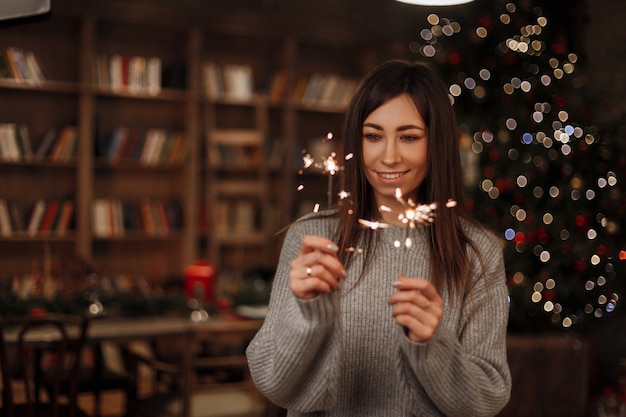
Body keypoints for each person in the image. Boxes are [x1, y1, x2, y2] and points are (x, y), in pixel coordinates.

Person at [246, 59, 511, 416]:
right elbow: (274, 385)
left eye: (409, 137)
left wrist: (432, 345)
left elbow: (488, 397)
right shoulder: (310, 237)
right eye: (373, 136)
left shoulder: (479, 250)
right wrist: (309, 317)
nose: (388, 156)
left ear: (437, 143)